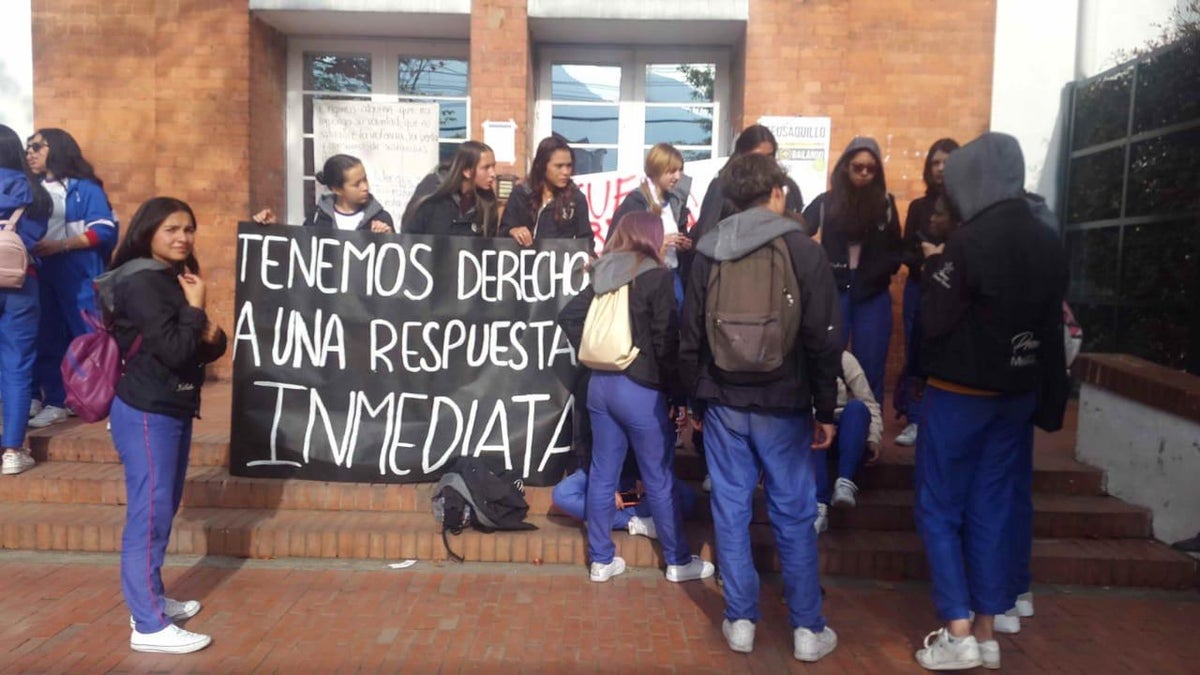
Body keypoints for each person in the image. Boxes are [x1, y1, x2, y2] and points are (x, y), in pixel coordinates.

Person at [912, 133, 1066, 671]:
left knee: (938, 507)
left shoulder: (968, 241)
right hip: (1017, 394)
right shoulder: (1047, 238)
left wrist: (933, 272)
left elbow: (935, 322)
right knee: (993, 509)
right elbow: (1052, 324)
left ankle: (958, 631)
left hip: (960, 393)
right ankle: (985, 629)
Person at [680, 153, 842, 662]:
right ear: (777, 192)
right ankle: (807, 628)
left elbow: (690, 336)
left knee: (730, 510)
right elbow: (823, 338)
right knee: (793, 513)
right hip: (785, 402)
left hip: (724, 399)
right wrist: (825, 409)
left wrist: (693, 400)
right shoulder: (803, 249)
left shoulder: (709, 249)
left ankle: (740, 621)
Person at [97, 197, 227, 654]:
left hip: (170, 405)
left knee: (161, 508)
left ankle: (151, 599)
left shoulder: (170, 278)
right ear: (147, 231)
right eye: (171, 229)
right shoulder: (141, 281)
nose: (183, 238)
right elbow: (174, 349)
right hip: (147, 410)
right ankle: (148, 625)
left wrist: (208, 331)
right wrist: (195, 309)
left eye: (189, 229)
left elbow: (198, 348)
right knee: (148, 515)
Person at [558, 211, 713, 584]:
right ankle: (677, 561)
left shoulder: (601, 273)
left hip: (600, 383)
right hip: (640, 388)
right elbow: (666, 342)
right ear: (651, 236)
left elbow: (568, 315)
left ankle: (601, 560)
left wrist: (592, 349)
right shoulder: (657, 276)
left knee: (602, 474)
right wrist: (676, 394)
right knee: (658, 476)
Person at [24, 128, 117, 428]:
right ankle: (56, 399)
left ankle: (97, 397)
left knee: (87, 337)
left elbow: (104, 230)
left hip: (78, 272)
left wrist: (62, 245)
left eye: (37, 146)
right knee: (47, 336)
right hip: (42, 270)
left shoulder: (85, 189)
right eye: (28, 147)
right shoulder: (32, 188)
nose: (30, 153)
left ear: (58, 148)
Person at [802, 137, 902, 408]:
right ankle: (827, 417)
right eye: (858, 167)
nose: (864, 173)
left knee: (871, 362)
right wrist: (814, 265)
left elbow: (897, 248)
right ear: (845, 166)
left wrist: (881, 272)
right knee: (828, 356)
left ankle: (871, 423)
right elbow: (798, 231)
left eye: (871, 168)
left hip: (873, 292)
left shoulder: (885, 204)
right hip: (835, 289)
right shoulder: (826, 202)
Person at [895, 139, 959, 447]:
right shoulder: (918, 207)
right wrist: (924, 260)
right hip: (919, 286)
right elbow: (904, 249)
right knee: (915, 351)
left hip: (954, 289)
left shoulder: (965, 206)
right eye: (935, 162)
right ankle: (915, 417)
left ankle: (940, 418)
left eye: (947, 162)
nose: (940, 168)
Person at [0, 125, 51, 475]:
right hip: (21, 283)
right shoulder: (35, 192)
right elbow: (34, 239)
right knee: (17, 366)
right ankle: (12, 451)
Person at [610, 143, 693, 306]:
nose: (677, 177)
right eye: (672, 171)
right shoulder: (635, 202)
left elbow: (678, 242)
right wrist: (657, 243)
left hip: (672, 277)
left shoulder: (675, 203)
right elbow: (617, 245)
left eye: (680, 170)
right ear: (657, 169)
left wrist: (683, 245)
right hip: (644, 281)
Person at [813, 350, 882, 533]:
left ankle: (844, 484)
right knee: (815, 420)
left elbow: (870, 404)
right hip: (812, 435)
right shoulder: (796, 358)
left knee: (857, 408)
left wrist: (874, 437)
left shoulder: (844, 359)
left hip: (847, 433)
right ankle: (819, 505)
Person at [551, 465, 699, 539]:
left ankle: (601, 517)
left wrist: (645, 475)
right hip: (599, 470)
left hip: (641, 474)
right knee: (562, 494)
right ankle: (631, 522)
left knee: (688, 500)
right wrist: (604, 485)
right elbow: (583, 444)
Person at [499, 136, 592, 245]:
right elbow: (502, 232)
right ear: (541, 165)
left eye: (569, 166)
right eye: (559, 166)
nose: (566, 172)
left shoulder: (576, 199)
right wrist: (513, 231)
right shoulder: (521, 194)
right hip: (523, 255)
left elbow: (586, 240)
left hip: (558, 256)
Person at [406, 141, 498, 236]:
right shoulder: (432, 189)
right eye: (486, 168)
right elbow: (409, 231)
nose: (493, 174)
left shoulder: (488, 202)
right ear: (467, 171)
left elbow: (489, 239)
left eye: (493, 166)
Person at [305, 154, 394, 232]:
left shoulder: (381, 218)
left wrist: (387, 237)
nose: (365, 187)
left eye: (365, 180)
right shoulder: (316, 217)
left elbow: (393, 245)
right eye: (356, 184)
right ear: (336, 189)